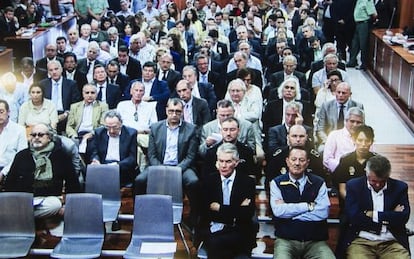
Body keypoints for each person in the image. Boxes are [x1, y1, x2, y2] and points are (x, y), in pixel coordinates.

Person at [135, 98, 200, 223]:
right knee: (140, 180)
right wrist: (161, 170)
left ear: (182, 112)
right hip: (159, 165)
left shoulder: (191, 129)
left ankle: (194, 219)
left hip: (181, 166)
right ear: (166, 111)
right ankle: (142, 215)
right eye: (171, 111)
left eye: (177, 111)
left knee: (194, 182)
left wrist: (176, 170)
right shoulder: (155, 128)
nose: (174, 115)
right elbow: (152, 155)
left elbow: (190, 156)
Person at [270, 146, 335, 259]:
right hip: (286, 240)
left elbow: (323, 212)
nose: (297, 163)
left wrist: (290, 214)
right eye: (293, 159)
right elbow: (278, 211)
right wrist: (308, 206)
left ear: (307, 163)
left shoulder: (318, 182)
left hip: (315, 241)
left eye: (302, 160)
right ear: (287, 161)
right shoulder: (277, 183)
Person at [5, 123, 81, 218]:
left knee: (55, 205)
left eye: (40, 135)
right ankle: (22, 213)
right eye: (33, 135)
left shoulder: (61, 156)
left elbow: (73, 184)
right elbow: (9, 184)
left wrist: (66, 206)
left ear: (49, 138)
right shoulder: (21, 156)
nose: (36, 137)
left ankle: (21, 215)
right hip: (24, 200)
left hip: (48, 200)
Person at [342, 155, 410, 258]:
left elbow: (403, 217)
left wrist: (371, 214)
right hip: (361, 241)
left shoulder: (400, 187)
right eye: (373, 181)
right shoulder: (354, 186)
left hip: (391, 242)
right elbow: (354, 217)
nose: (378, 185)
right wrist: (389, 216)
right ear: (366, 172)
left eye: (382, 181)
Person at [200, 142, 256, 258]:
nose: (223, 165)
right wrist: (235, 211)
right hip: (214, 233)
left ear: (236, 162)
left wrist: (220, 208)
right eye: (221, 161)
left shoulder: (247, 182)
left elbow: (247, 214)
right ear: (216, 162)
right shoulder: (208, 181)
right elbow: (206, 213)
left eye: (228, 161)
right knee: (217, 246)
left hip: (239, 233)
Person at [89, 110, 138, 187]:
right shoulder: (99, 132)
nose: (111, 131)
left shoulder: (131, 134)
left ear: (121, 124)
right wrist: (96, 160)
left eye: (115, 127)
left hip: (121, 167)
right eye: (108, 127)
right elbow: (94, 152)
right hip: (103, 166)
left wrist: (116, 165)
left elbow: (132, 158)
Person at [316, 82, 363, 151]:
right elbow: (320, 129)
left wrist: (352, 141)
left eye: (344, 93)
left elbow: (361, 128)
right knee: (321, 150)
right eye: (338, 92)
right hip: (329, 140)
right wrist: (330, 141)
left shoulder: (358, 106)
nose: (340, 95)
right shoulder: (326, 106)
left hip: (351, 140)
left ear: (350, 94)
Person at [323, 107, 365, 173]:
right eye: (352, 121)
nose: (355, 125)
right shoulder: (334, 135)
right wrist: (345, 168)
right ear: (345, 121)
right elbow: (327, 160)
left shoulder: (365, 138)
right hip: (339, 173)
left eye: (358, 122)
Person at [0, 99, 28, 183]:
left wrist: (3, 172)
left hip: (11, 169)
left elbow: (21, 155)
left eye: (1, 112)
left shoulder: (19, 130)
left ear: (8, 112)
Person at [346, 0, 377, 70]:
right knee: (355, 43)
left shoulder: (368, 1)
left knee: (363, 45)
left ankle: (364, 64)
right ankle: (352, 61)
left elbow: (374, 14)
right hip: (357, 24)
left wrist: (370, 22)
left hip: (364, 24)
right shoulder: (358, 1)